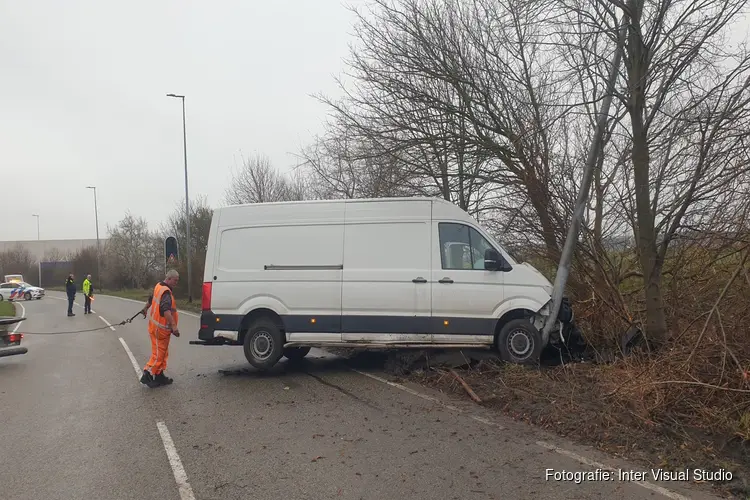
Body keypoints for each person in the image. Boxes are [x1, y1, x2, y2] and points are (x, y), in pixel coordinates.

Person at [139, 269, 181, 388]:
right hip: (160, 329)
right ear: (168, 279)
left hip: (157, 328)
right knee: (158, 354)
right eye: (175, 281)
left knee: (162, 353)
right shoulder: (166, 292)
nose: (176, 283)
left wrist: (145, 308)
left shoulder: (159, 286)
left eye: (177, 281)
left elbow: (151, 299)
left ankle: (159, 375)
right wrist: (174, 326)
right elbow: (166, 311)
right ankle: (147, 374)